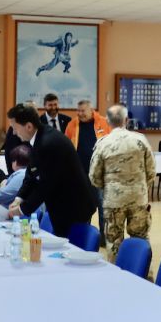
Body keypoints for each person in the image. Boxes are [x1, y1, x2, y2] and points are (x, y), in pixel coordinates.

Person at [7, 104, 97, 237]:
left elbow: (45, 184)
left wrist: (22, 210)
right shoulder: (39, 137)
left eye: (15, 128)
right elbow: (31, 174)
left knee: (69, 246)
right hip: (61, 204)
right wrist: (19, 199)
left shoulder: (48, 143)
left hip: (73, 206)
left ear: (29, 126)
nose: (14, 133)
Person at [89, 105, 156, 262]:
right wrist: (141, 187)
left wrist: (108, 186)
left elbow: (94, 176)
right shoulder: (140, 140)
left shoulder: (103, 143)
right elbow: (151, 171)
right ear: (126, 120)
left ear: (108, 121)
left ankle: (116, 272)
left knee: (114, 242)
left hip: (113, 201)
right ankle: (143, 272)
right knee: (141, 238)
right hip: (138, 198)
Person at [65, 100, 110, 236]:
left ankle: (104, 236)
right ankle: (84, 235)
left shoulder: (104, 122)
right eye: (78, 111)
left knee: (103, 205)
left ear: (91, 110)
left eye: (83, 111)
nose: (80, 114)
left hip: (100, 173)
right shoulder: (72, 125)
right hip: (80, 174)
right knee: (83, 206)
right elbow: (66, 146)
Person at [0, 144, 31, 208]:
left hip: (14, 212)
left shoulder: (20, 176)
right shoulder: (27, 173)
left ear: (15, 162)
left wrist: (2, 186)